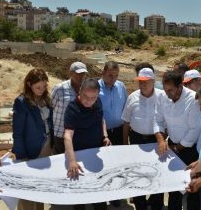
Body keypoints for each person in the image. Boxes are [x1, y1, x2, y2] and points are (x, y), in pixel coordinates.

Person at [154, 71, 201, 210]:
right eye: (165, 90)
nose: (167, 93)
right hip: (171, 146)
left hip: (189, 150)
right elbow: (158, 120)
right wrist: (161, 140)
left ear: (180, 86)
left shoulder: (192, 99)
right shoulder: (162, 96)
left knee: (190, 187)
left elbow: (194, 130)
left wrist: (177, 148)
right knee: (173, 187)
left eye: (171, 90)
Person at [64, 78, 110, 210]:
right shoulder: (72, 108)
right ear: (80, 91)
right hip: (79, 157)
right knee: (80, 197)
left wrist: (105, 135)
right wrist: (72, 161)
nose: (89, 101)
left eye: (93, 98)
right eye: (85, 97)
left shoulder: (98, 102)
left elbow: (101, 119)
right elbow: (67, 136)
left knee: (99, 196)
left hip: (95, 152)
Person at [122, 67, 164, 210]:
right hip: (136, 141)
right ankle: (140, 205)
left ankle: (156, 204)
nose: (142, 84)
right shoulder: (132, 97)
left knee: (156, 173)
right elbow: (126, 123)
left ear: (153, 81)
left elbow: (167, 120)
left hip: (155, 141)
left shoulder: (162, 97)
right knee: (137, 174)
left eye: (146, 81)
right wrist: (124, 145)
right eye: (140, 81)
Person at [12, 68, 54, 210]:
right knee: (28, 187)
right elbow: (17, 133)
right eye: (38, 87)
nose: (41, 90)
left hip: (47, 147)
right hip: (31, 150)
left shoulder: (46, 99)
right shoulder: (21, 102)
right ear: (29, 84)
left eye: (44, 86)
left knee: (41, 185)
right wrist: (21, 156)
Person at [98, 61, 127, 207]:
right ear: (103, 73)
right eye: (110, 75)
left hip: (119, 131)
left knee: (117, 165)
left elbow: (126, 108)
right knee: (103, 166)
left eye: (116, 76)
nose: (113, 78)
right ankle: (102, 195)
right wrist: (104, 135)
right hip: (102, 134)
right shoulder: (95, 87)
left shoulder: (121, 86)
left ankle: (115, 195)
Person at [51, 61, 88, 155]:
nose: (81, 77)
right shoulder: (59, 88)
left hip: (77, 135)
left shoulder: (86, 90)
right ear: (71, 73)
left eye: (83, 74)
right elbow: (50, 108)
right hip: (60, 135)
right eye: (78, 74)